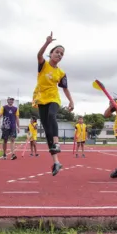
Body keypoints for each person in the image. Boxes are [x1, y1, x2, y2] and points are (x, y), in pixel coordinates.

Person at [34, 31, 75, 176]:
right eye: (57, 52)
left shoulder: (61, 73)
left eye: (62, 54)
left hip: (54, 99)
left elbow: (65, 89)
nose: (59, 55)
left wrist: (71, 101)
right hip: (41, 99)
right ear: (51, 53)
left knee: (52, 116)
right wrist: (47, 42)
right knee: (47, 132)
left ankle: (57, 143)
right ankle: (56, 162)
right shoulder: (43, 65)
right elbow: (38, 55)